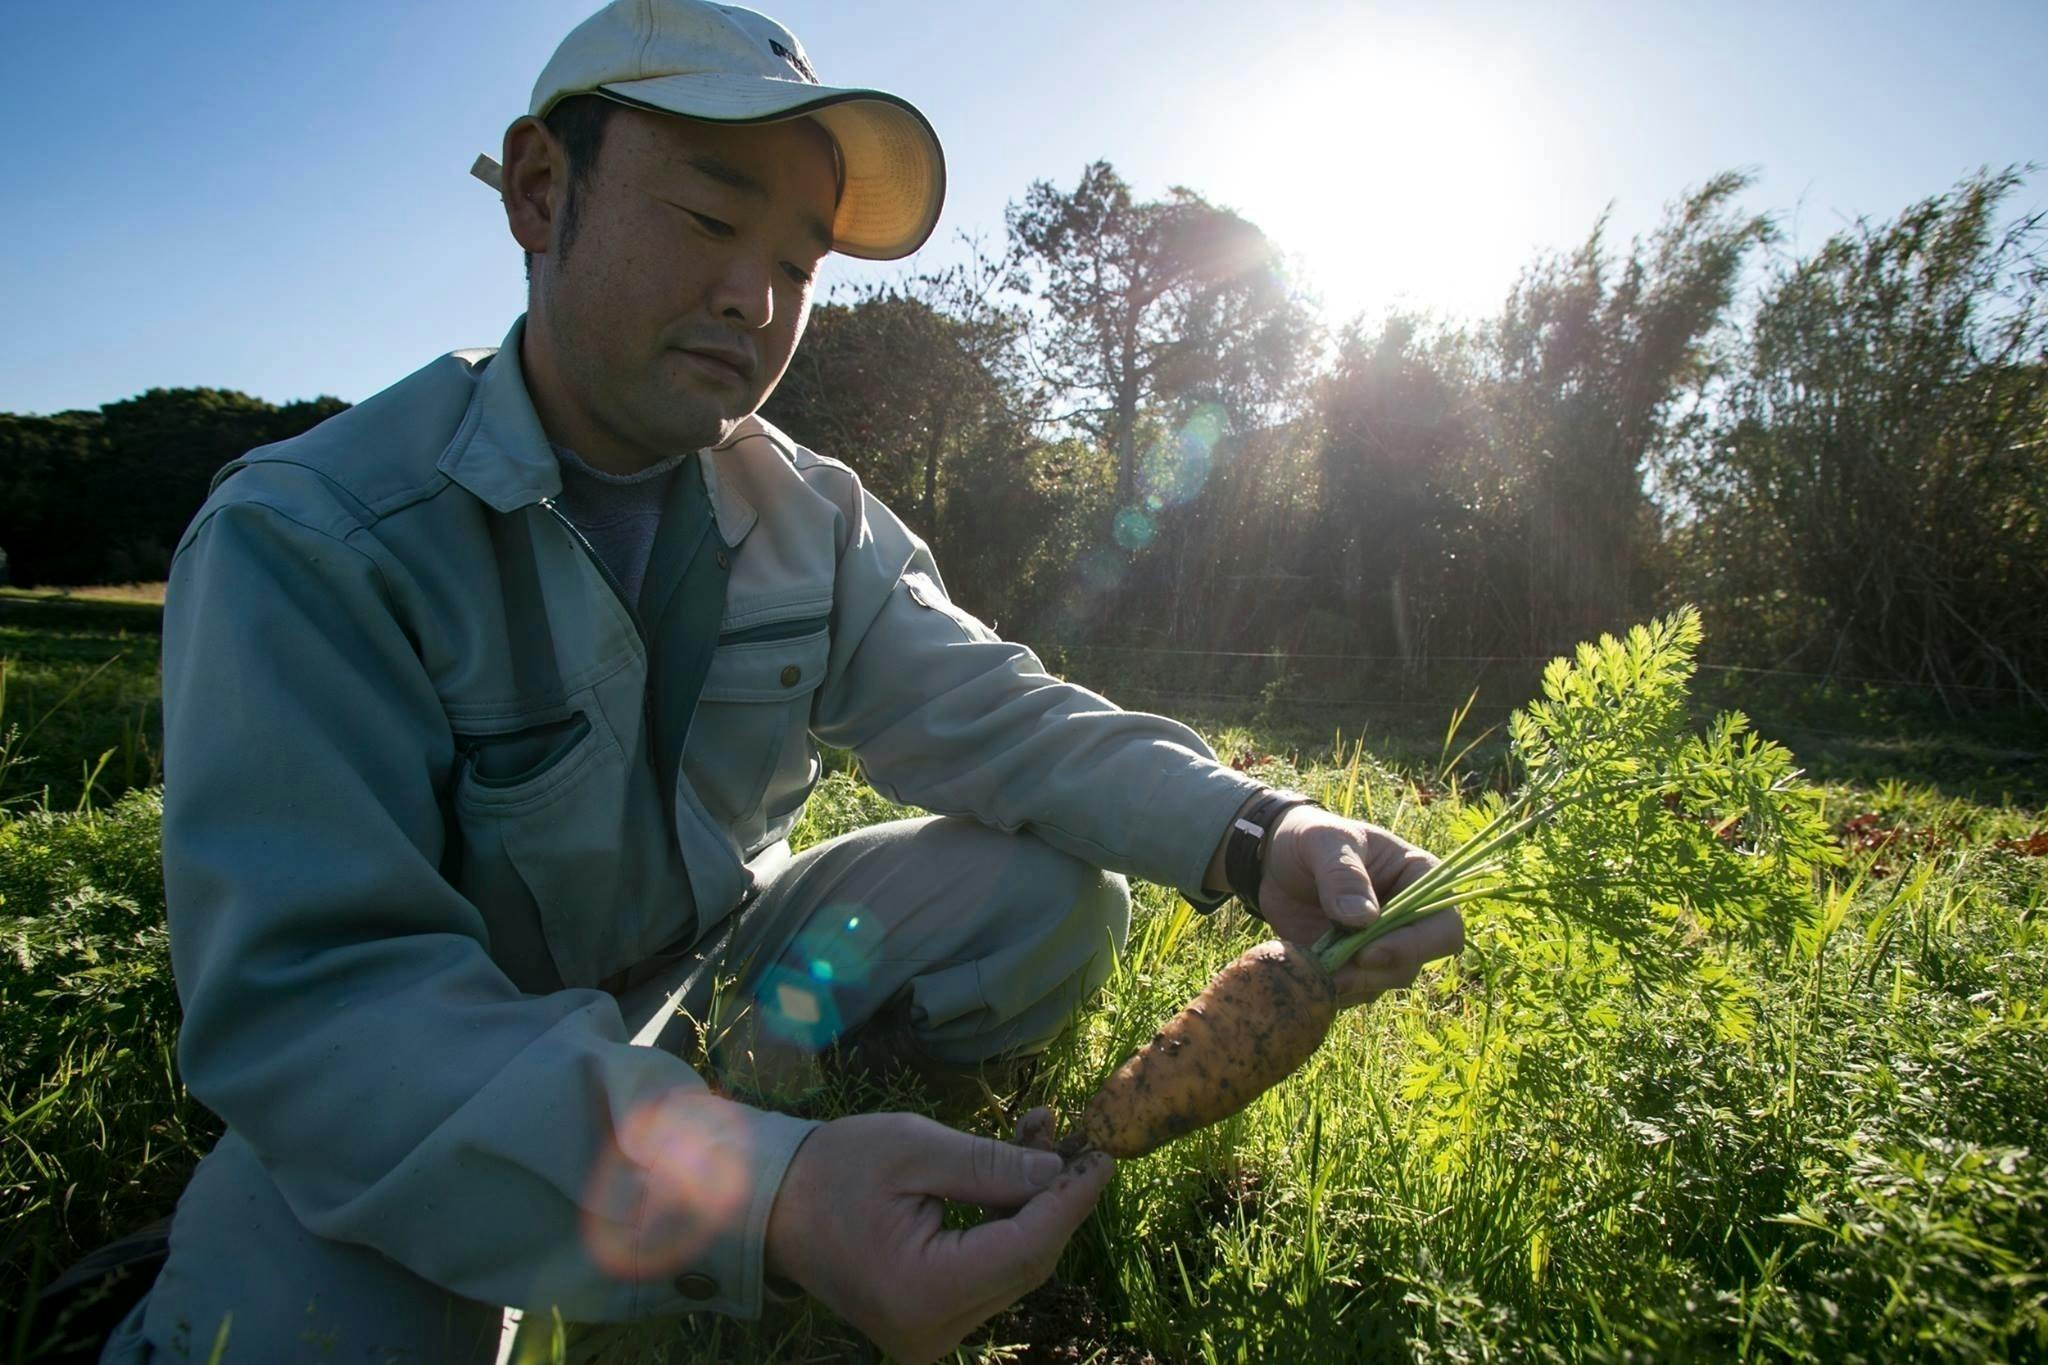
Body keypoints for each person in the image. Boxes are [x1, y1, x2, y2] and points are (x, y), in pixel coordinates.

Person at [102, 3, 1462, 1361]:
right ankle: (710, 1184)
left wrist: (1255, 828)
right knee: (293, 1330)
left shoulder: (805, 514)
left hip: (724, 981)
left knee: (1049, 900)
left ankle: (814, 1128)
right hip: (454, 1057)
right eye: (707, 219)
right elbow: (327, 1005)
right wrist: (775, 1196)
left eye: (800, 263)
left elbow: (995, 712)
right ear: (539, 190)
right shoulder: (317, 538)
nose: (756, 298)